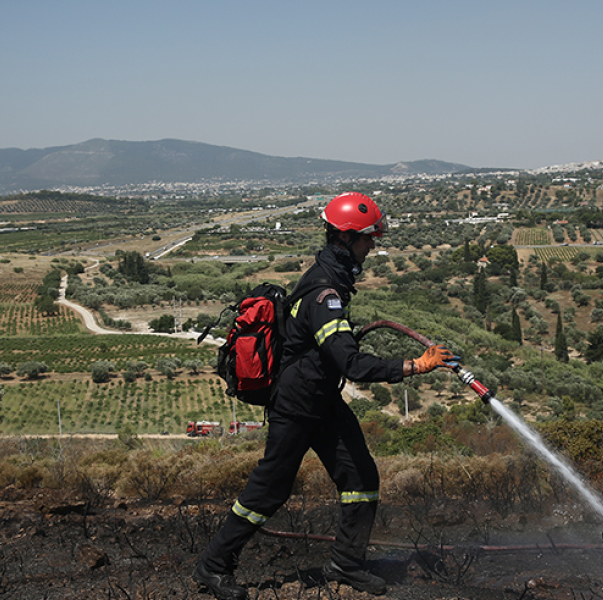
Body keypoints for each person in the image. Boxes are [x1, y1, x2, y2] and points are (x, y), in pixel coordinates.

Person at [193, 192, 458, 600]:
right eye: (369, 238)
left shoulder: (331, 277)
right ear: (347, 238)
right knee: (268, 492)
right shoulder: (325, 295)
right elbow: (351, 364)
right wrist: (413, 366)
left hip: (321, 401)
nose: (372, 246)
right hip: (297, 406)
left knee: (361, 478)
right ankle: (212, 566)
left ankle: (346, 563)